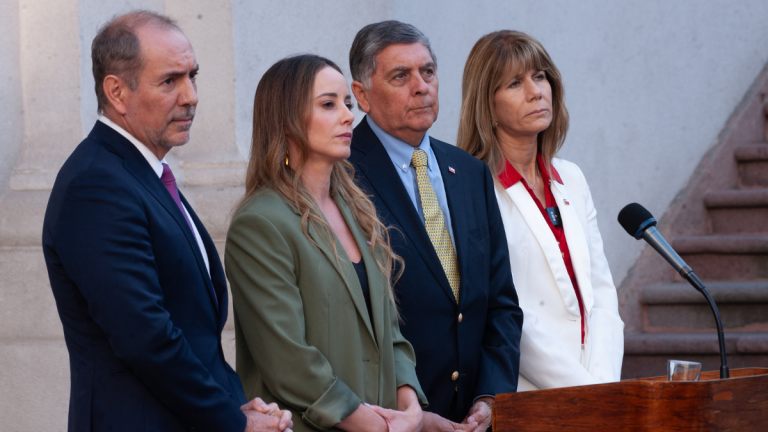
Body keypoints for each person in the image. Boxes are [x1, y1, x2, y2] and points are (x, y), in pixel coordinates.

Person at [42, 11, 292, 432]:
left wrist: (236, 406)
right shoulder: (96, 184)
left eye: (193, 76)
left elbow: (195, 336)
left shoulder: (140, 175)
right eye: (170, 81)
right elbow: (146, 338)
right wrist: (234, 422)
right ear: (117, 92)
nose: (191, 96)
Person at [224, 54, 427, 432]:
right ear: (287, 120)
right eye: (329, 104)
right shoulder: (261, 223)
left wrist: (411, 409)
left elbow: (390, 334)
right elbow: (290, 363)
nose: (349, 116)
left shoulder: (357, 210)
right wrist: (379, 427)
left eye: (347, 103)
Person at [347, 21, 524, 431]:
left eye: (427, 71)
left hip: (473, 419)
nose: (421, 86)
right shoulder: (342, 174)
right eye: (400, 76)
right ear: (362, 95)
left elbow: (500, 302)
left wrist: (490, 396)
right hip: (391, 416)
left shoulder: (470, 171)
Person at [457, 30, 624, 391]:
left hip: (598, 385)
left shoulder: (571, 177)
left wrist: (604, 386)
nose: (536, 92)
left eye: (540, 76)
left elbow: (601, 291)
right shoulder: (472, 188)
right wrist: (584, 391)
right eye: (515, 83)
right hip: (526, 392)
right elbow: (507, 309)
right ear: (487, 104)